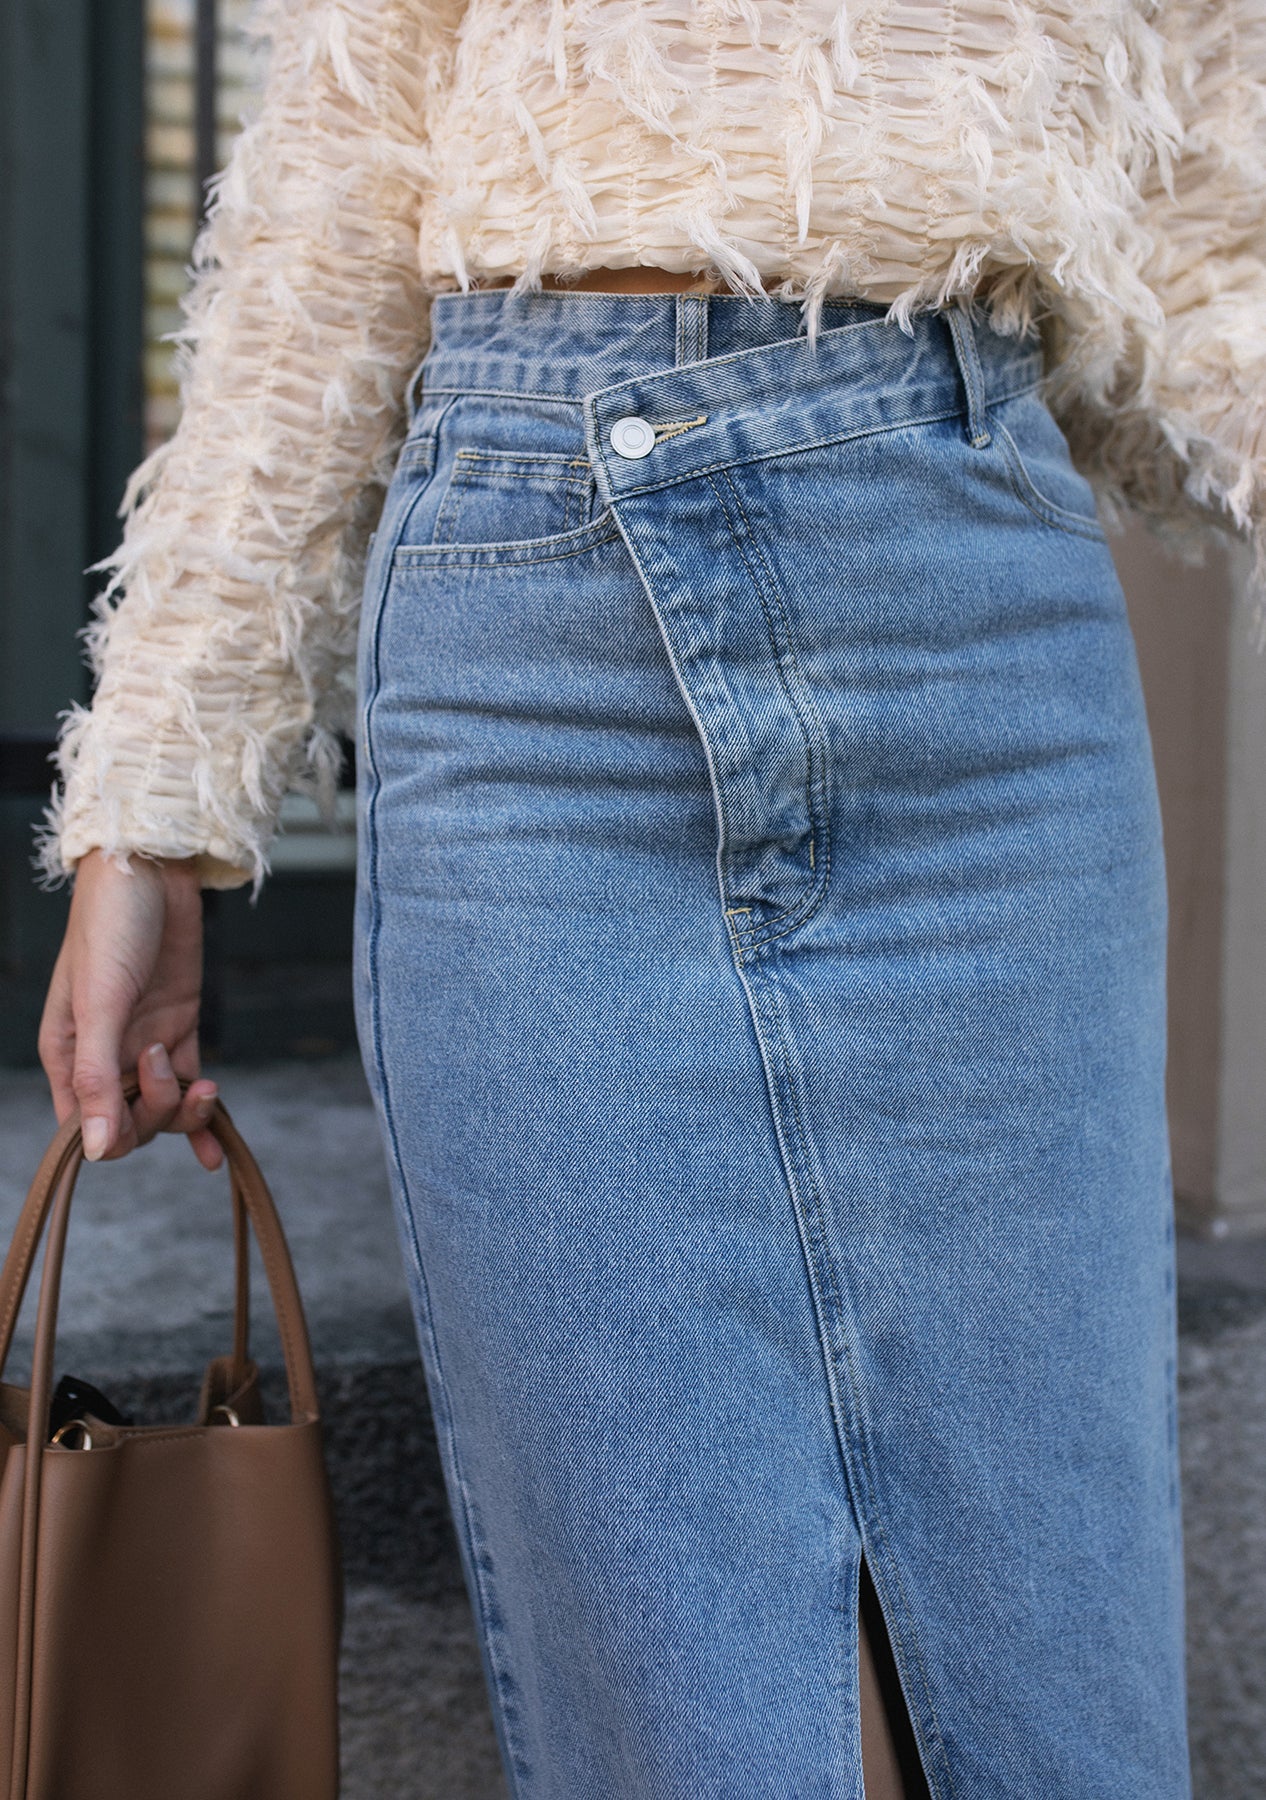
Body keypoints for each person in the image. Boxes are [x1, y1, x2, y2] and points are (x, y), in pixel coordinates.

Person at [34, 3, 1265, 1795]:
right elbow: (320, 231)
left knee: (1041, 1618)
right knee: (667, 1646)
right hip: (535, 658)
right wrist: (152, 810)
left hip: (970, 638)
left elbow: (1209, 239)